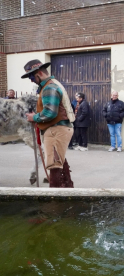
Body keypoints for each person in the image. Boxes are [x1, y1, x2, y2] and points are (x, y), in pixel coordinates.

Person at [23, 59, 75, 188]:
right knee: (58, 161)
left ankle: (55, 200)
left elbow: (49, 113)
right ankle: (68, 189)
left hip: (56, 129)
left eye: (31, 76)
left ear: (39, 73)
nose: (31, 80)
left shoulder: (49, 88)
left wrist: (33, 117)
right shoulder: (52, 84)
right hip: (58, 129)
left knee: (54, 165)